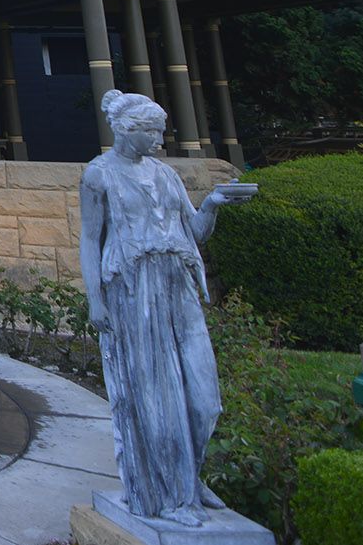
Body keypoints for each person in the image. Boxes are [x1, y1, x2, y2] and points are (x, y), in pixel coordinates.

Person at [78, 89, 257, 528]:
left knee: (204, 399)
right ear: (127, 129)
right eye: (152, 131)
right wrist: (95, 299)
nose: (160, 139)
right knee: (155, 397)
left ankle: (189, 478)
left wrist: (213, 203)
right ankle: (169, 495)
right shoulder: (98, 175)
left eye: (161, 131)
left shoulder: (165, 175)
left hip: (177, 285)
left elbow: (194, 231)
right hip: (132, 290)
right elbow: (89, 238)